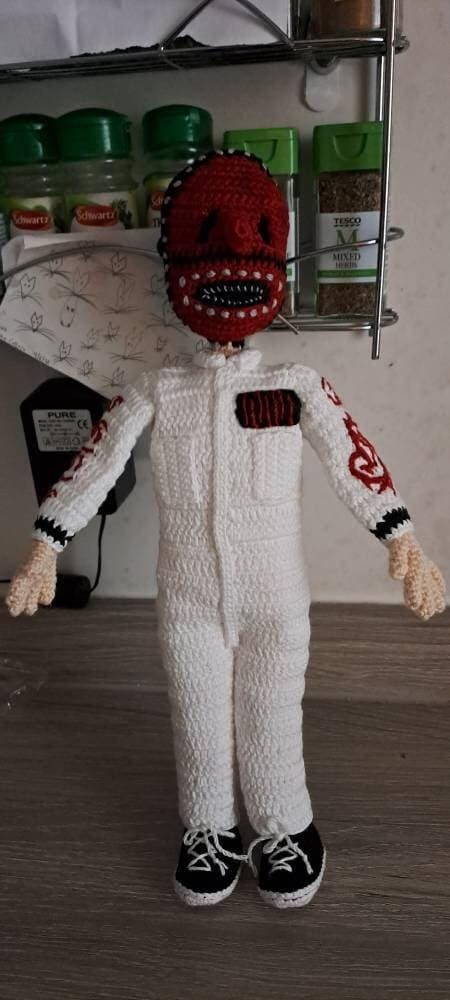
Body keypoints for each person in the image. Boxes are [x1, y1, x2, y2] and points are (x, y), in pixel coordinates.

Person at [7, 151, 445, 909]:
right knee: (199, 713)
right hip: (188, 600)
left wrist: (399, 537)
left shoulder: (296, 386)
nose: (232, 270)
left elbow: (354, 456)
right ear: (178, 272)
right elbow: (97, 460)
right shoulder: (155, 389)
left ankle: (284, 826)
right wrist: (49, 541)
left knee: (272, 710)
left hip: (278, 596)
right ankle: (207, 827)